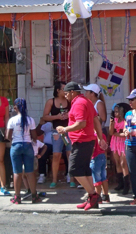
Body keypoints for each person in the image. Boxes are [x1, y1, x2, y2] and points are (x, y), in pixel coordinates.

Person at [55, 82, 108, 211]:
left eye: (66, 93)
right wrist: (100, 138)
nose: (66, 95)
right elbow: (96, 121)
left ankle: (93, 195)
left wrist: (65, 129)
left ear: (72, 92)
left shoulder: (79, 103)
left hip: (82, 141)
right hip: (87, 141)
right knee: (85, 170)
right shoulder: (87, 102)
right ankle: (92, 199)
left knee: (74, 170)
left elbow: (81, 123)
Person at [6, 98, 41, 204]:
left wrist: (14, 141)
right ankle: (34, 196)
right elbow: (34, 136)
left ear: (15, 107)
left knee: (17, 172)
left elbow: (8, 136)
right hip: (27, 146)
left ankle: (17, 197)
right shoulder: (30, 120)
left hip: (16, 146)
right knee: (30, 172)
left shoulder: (12, 120)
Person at [41, 81, 71, 188]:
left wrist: (69, 115)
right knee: (56, 155)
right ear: (58, 90)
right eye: (63, 89)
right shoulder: (51, 102)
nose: (65, 91)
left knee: (69, 154)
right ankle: (54, 179)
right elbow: (44, 117)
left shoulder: (69, 101)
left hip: (68, 132)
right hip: (57, 132)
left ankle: (70, 177)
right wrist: (57, 117)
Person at [110, 103, 131, 194]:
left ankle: (127, 184)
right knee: (117, 162)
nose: (115, 113)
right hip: (115, 142)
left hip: (123, 142)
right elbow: (111, 132)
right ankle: (120, 183)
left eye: (117, 112)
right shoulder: (114, 120)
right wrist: (111, 124)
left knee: (123, 163)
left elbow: (124, 134)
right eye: (114, 112)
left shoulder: (125, 121)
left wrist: (116, 134)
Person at [90, 131, 110, 203]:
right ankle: (106, 196)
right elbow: (105, 148)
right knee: (104, 178)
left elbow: (92, 148)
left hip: (95, 158)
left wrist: (89, 159)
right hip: (102, 156)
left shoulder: (93, 135)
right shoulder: (103, 135)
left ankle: (97, 198)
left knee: (96, 179)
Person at [35, 117, 54, 184]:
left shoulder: (63, 122)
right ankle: (42, 174)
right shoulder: (48, 124)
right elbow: (37, 133)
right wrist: (40, 124)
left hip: (61, 144)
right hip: (48, 145)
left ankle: (68, 174)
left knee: (67, 153)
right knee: (42, 153)